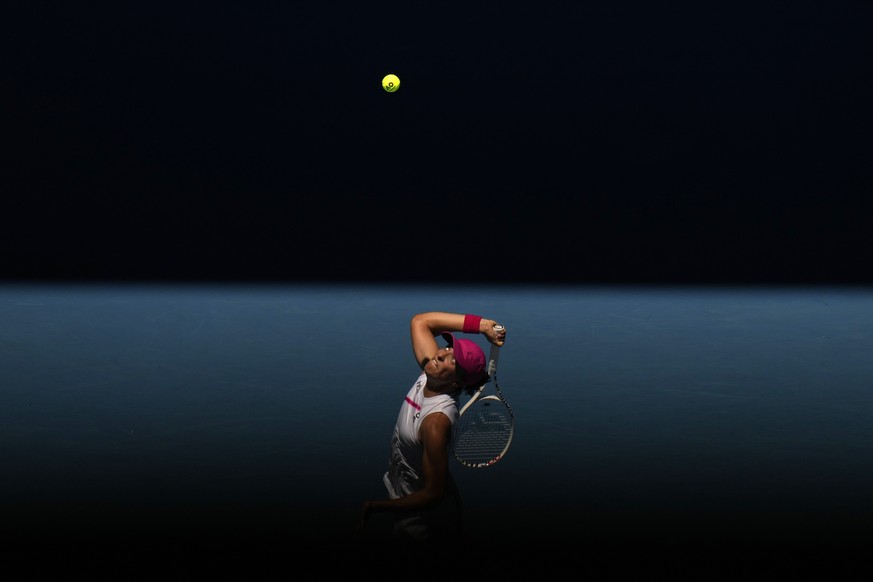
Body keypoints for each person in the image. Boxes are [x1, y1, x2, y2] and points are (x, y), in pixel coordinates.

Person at [359, 311, 507, 548]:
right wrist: (480, 325)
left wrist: (377, 507)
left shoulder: (435, 424)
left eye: (453, 360)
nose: (441, 354)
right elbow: (421, 322)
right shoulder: (431, 373)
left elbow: (432, 495)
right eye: (449, 349)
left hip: (424, 525)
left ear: (457, 382)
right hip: (403, 496)